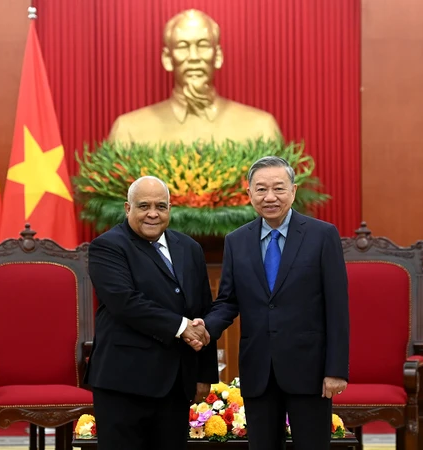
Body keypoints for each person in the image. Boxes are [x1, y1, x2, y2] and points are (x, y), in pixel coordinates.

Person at [194, 156, 350, 450]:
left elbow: (337, 307)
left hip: (311, 372)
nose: (270, 197)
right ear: (249, 193)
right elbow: (228, 301)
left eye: (278, 188)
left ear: (293, 191)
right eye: (261, 189)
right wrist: (205, 326)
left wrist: (336, 369)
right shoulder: (236, 241)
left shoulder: (322, 235)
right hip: (258, 370)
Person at [84, 175, 218, 450]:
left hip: (176, 384)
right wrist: (182, 327)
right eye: (144, 206)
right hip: (124, 382)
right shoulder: (108, 246)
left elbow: (203, 308)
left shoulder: (189, 248)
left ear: (170, 209)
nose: (153, 214)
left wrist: (205, 374)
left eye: (161, 206)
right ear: (127, 208)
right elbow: (125, 301)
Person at [107, 9, 281, 146]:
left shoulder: (261, 129)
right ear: (167, 59)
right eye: (182, 46)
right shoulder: (129, 131)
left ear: (218, 55)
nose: (194, 56)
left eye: (203, 45)